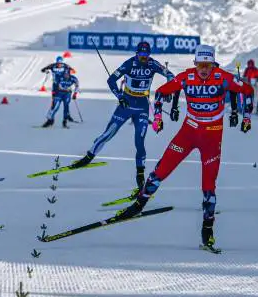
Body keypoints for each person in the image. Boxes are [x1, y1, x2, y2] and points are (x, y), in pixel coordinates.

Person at [114, 44, 253, 251]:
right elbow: (160, 93)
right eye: (200, 65)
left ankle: (207, 232)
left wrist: (246, 117)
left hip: (212, 136)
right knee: (161, 170)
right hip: (188, 133)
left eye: (207, 65)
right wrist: (159, 116)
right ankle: (138, 205)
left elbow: (247, 90)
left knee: (208, 186)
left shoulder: (222, 77)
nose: (203, 69)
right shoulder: (187, 77)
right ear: (195, 64)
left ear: (213, 64)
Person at [65, 41, 175, 192]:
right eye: (141, 54)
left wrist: (168, 89)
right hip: (126, 104)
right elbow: (111, 80)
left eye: (146, 55)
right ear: (137, 53)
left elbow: (170, 75)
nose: (144, 58)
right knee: (108, 134)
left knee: (140, 141)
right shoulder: (129, 63)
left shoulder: (153, 64)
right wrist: (119, 96)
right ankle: (88, 157)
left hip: (142, 106)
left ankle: (140, 174)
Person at [41, 56, 79, 128]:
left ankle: (66, 117)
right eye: (58, 63)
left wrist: (71, 72)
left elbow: (73, 71)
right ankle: (50, 120)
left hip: (65, 88)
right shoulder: (53, 66)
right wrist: (46, 71)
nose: (59, 65)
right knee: (54, 105)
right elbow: (43, 69)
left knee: (66, 105)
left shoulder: (66, 66)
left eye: (61, 63)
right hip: (56, 87)